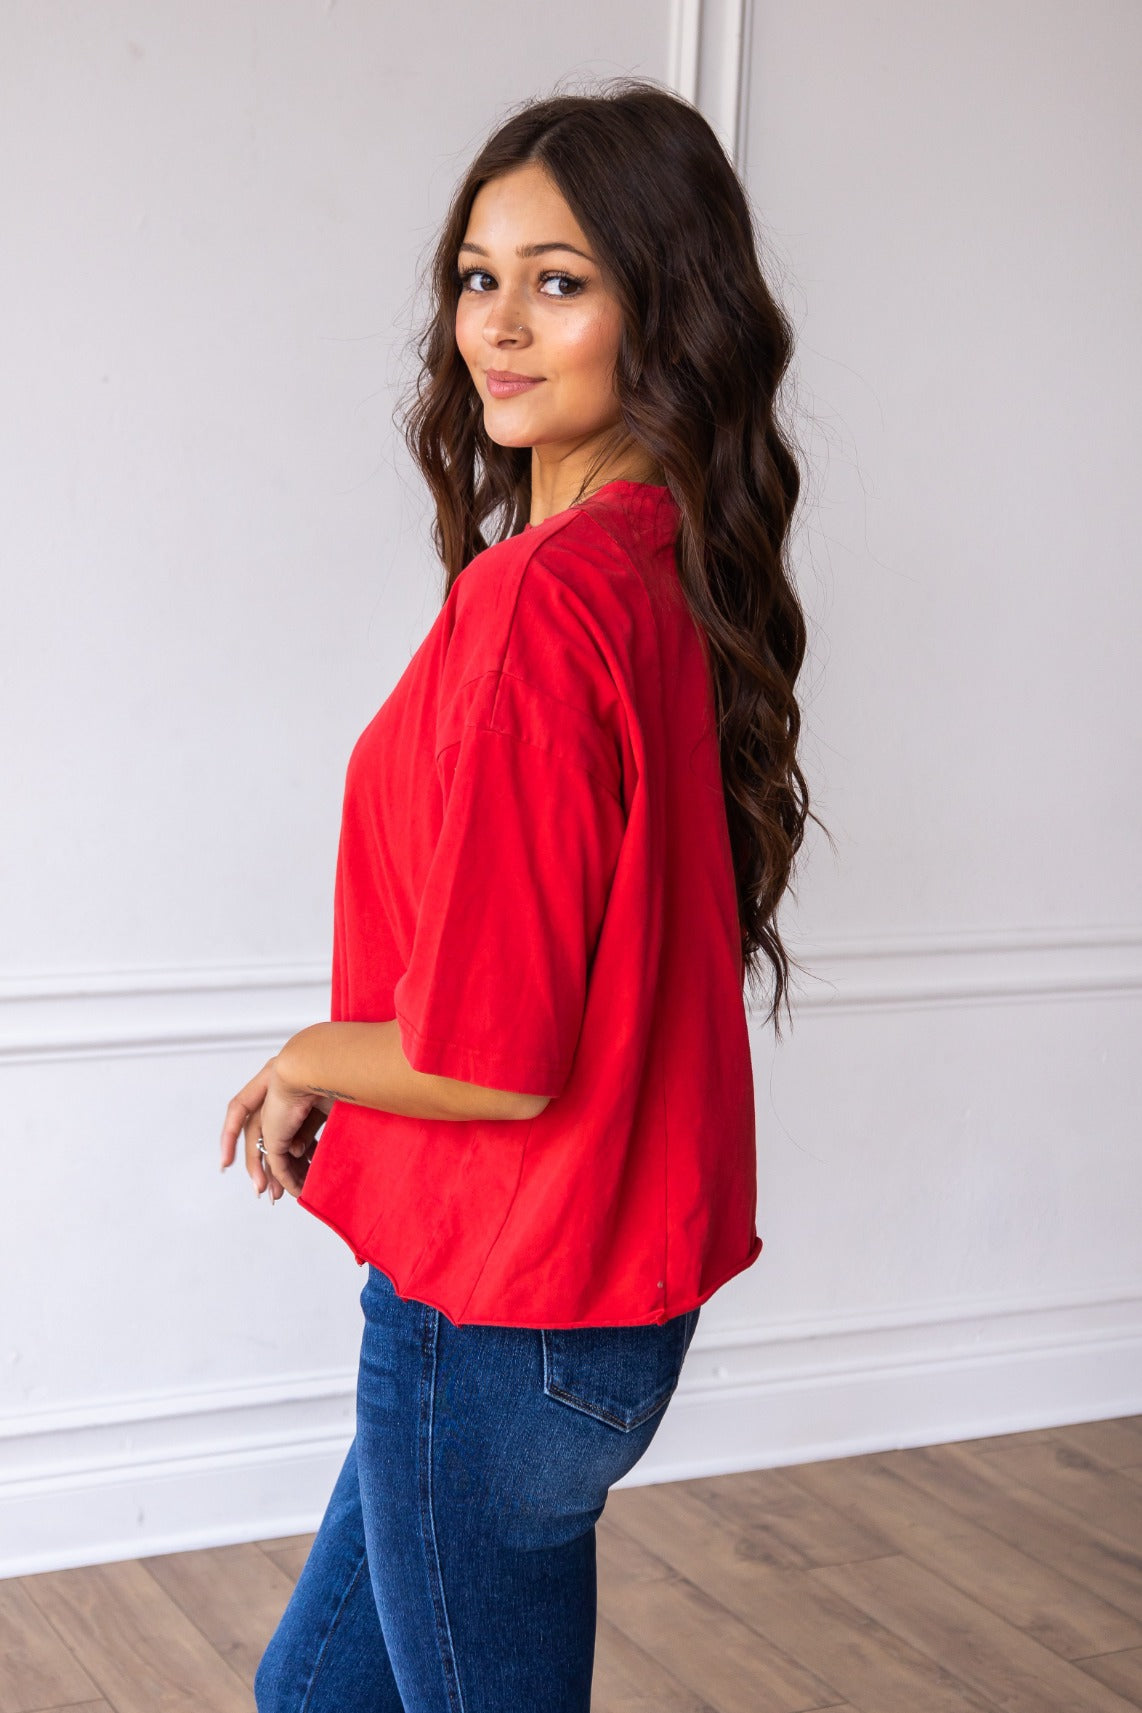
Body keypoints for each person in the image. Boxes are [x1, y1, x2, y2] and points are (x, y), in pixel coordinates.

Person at [219, 75, 818, 1713]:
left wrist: (307, 1054)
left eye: (558, 281)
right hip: (579, 1307)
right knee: (310, 1695)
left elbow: (490, 1058)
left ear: (662, 305)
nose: (495, 323)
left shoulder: (543, 602)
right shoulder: (656, 559)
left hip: (498, 1306)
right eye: (477, 277)